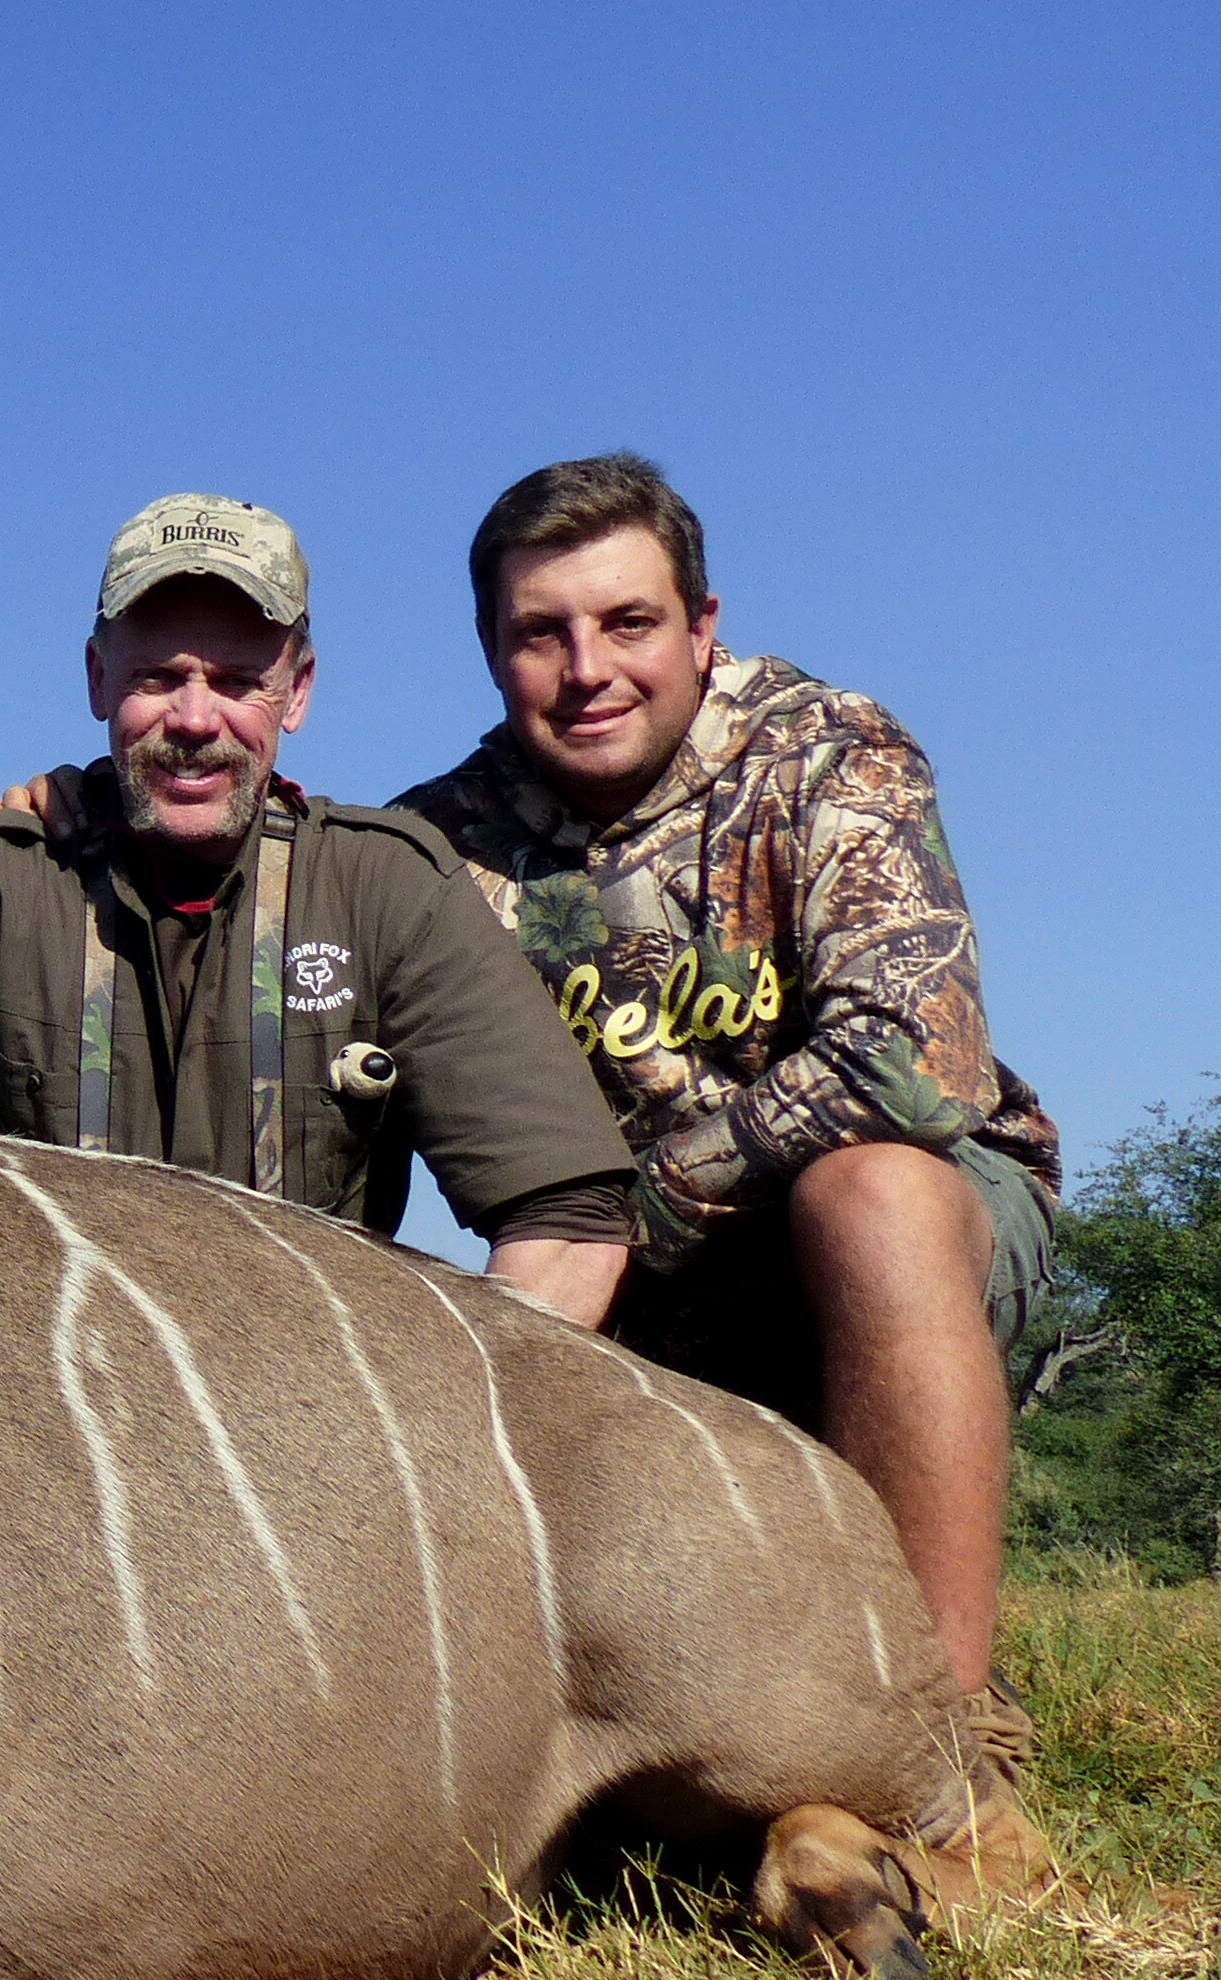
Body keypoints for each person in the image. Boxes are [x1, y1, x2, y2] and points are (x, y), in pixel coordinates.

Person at [397, 452, 1058, 1712]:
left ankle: (941, 1747)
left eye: (627, 622)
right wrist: (82, 815)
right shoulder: (430, 846)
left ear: (702, 628)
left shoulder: (829, 750)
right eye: (541, 635)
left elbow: (914, 1067)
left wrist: (622, 1220)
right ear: (491, 655)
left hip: (883, 1243)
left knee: (873, 1197)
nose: (587, 669)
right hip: (617, 1296)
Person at [0, 494, 638, 1325]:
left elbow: (567, 1224)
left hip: (311, 1419)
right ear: (97, 678)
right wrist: (6, 1251)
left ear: (297, 693)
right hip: (49, 1404)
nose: (195, 718)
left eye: (236, 681)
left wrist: (426, 1442)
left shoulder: (389, 887)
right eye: (159, 675)